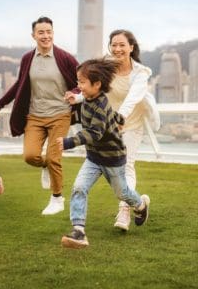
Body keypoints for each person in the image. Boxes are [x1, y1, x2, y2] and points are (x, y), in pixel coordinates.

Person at [66, 29, 159, 231]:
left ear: (131, 48)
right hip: (106, 125)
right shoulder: (105, 66)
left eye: (122, 45)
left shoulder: (140, 73)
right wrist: (78, 97)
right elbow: (92, 86)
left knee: (127, 167)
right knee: (102, 167)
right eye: (114, 45)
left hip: (130, 124)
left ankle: (125, 211)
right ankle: (138, 203)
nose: (117, 49)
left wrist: (121, 118)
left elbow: (133, 97)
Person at [0, 16, 79, 215]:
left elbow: (82, 82)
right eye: (41, 32)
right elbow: (19, 85)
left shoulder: (65, 58)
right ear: (34, 35)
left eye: (49, 32)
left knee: (54, 158)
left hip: (60, 114)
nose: (45, 36)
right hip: (35, 116)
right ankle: (45, 166)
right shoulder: (27, 59)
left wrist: (74, 92)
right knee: (30, 156)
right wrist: (0, 103)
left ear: (53, 33)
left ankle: (57, 198)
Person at [57, 58, 150, 249]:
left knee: (122, 193)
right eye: (78, 81)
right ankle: (79, 231)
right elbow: (96, 117)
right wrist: (117, 117)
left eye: (82, 82)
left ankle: (140, 205)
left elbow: (94, 132)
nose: (78, 86)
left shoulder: (100, 104)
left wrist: (68, 142)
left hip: (112, 160)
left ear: (97, 84)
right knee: (79, 187)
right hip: (93, 158)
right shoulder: (89, 101)